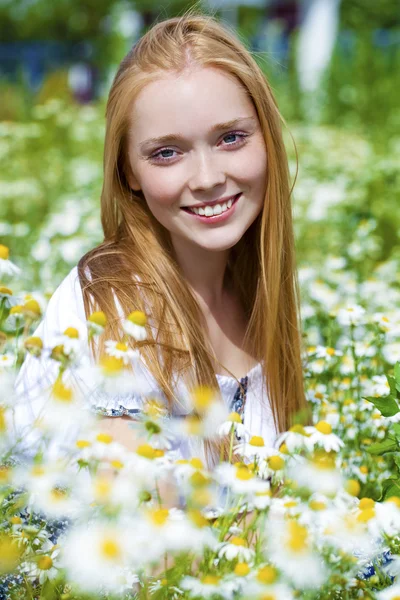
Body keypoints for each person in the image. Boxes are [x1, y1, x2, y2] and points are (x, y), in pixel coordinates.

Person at [14, 10, 309, 469]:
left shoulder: (263, 292)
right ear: (128, 170)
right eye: (167, 153)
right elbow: (136, 520)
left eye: (231, 138)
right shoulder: (109, 313)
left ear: (267, 139)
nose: (209, 178)